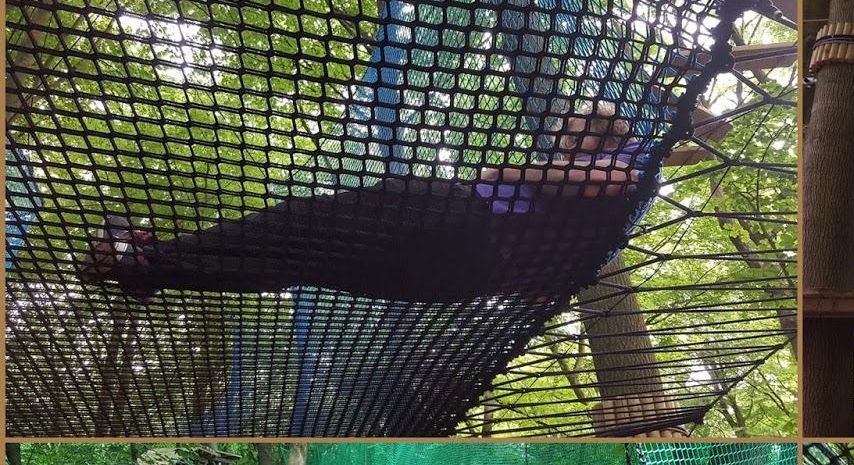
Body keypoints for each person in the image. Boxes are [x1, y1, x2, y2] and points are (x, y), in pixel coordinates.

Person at [75, 101, 642, 305]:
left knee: (298, 230)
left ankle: (148, 261)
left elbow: (604, 182)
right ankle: (150, 265)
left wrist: (503, 169)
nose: (563, 145)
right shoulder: (599, 226)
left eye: (574, 137)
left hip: (462, 223)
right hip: (459, 271)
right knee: (300, 256)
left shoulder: (630, 167)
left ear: (604, 136)